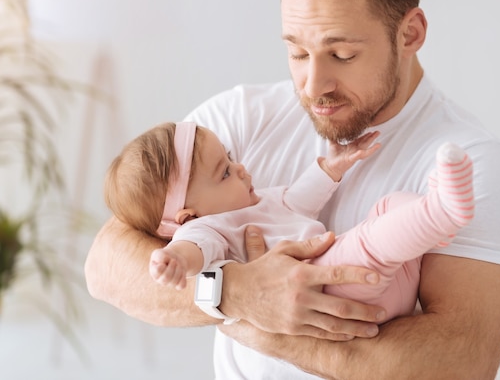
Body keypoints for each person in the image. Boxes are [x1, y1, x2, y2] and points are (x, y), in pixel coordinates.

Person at [84, 0, 500, 378]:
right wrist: (235, 293)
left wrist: (262, 323)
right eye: (298, 53)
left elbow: (458, 365)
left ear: (410, 33)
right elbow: (106, 266)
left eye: (341, 54)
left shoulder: (474, 166)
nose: (314, 86)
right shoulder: (240, 118)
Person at [104, 121, 474, 324]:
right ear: (189, 216)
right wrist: (176, 261)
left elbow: (299, 200)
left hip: (386, 286)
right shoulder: (207, 229)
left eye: (231, 158)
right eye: (224, 174)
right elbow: (194, 250)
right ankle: (442, 213)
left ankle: (430, 210)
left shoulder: (259, 200)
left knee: (388, 207)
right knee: (366, 242)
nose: (241, 169)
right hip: (329, 285)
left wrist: (331, 167)